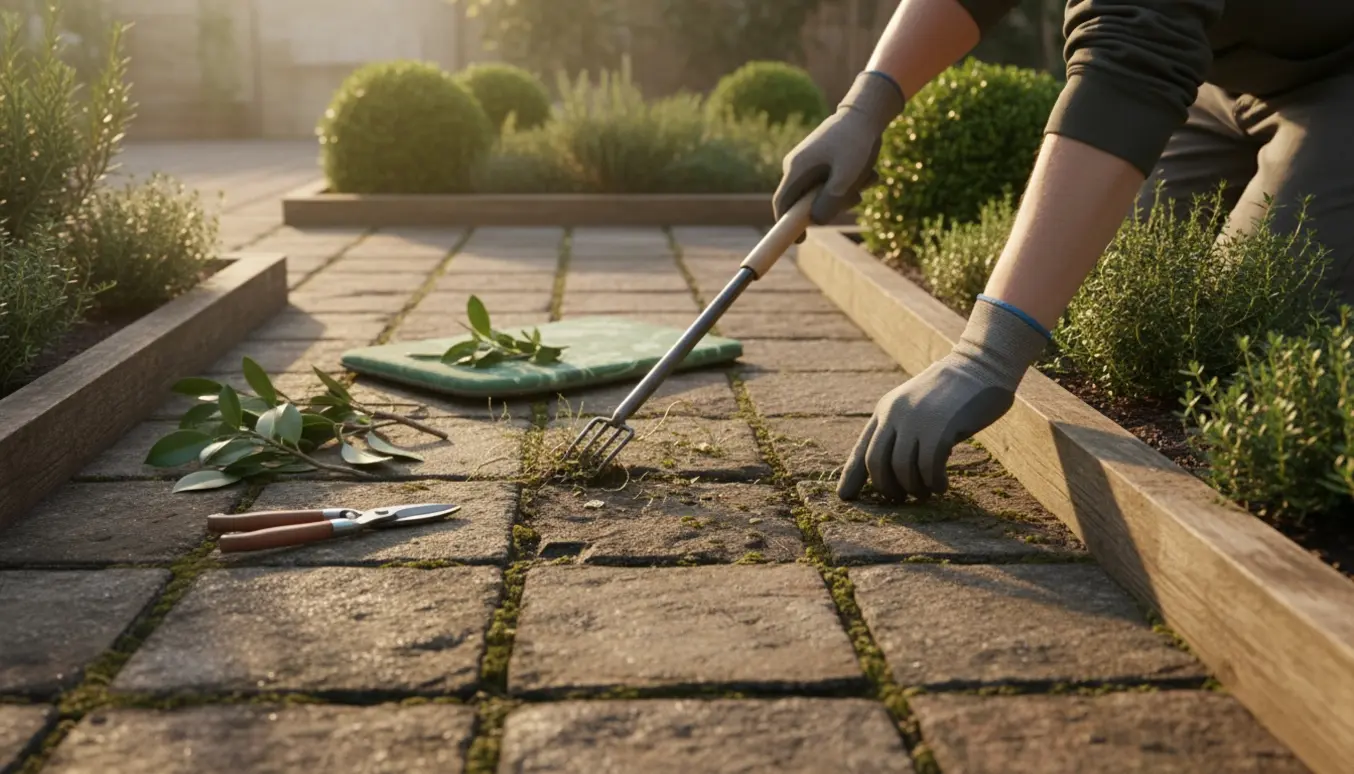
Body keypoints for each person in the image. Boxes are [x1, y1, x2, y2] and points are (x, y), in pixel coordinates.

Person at [773, 0, 1354, 504]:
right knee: (1117, 304)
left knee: (1247, 331)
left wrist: (985, 355)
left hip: (1339, 72)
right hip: (1225, 78)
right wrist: (864, 108)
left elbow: (1129, 60)